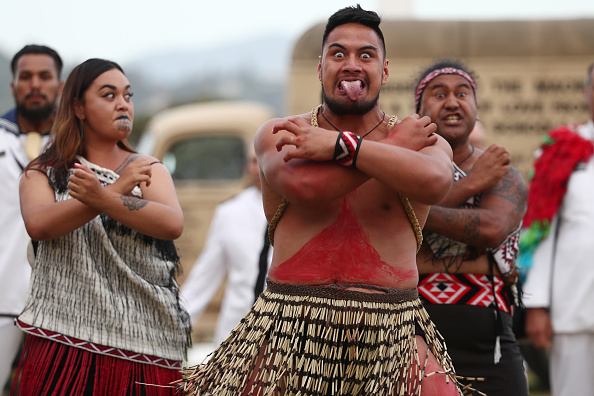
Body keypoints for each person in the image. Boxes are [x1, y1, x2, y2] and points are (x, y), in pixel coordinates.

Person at [178, 6, 467, 396]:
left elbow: (435, 182)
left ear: (384, 71)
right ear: (320, 68)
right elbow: (306, 190)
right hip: (289, 328)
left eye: (366, 55)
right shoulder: (283, 132)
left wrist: (339, 146)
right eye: (338, 54)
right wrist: (388, 147)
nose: (351, 65)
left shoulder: (421, 136)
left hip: (392, 333)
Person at [11, 58, 191, 395]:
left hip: (145, 342)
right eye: (108, 95)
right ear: (78, 107)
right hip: (64, 342)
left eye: (128, 95)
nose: (123, 103)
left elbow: (171, 223)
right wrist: (115, 191)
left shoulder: (147, 167)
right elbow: (39, 225)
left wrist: (104, 197)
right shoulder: (44, 172)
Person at [414, 60, 529, 395]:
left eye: (462, 93)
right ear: (418, 110)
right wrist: (470, 186)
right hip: (413, 348)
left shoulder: (501, 171)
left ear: (475, 108)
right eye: (439, 93)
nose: (452, 101)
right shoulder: (403, 167)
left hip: (491, 354)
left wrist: (411, 217)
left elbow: (492, 228)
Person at [522, 62, 594, 395]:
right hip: (573, 310)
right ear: (586, 93)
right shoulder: (561, 150)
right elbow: (540, 234)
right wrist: (536, 304)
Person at [0, 44, 63, 391]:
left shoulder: (80, 147)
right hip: (1, 296)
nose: (35, 84)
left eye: (44, 76)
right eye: (26, 77)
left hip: (63, 306)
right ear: (13, 86)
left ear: (60, 84)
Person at [181, 143, 270, 346]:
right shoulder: (230, 212)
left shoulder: (302, 210)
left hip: (287, 336)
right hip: (236, 334)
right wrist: (173, 326)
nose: (258, 168)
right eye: (253, 161)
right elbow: (205, 275)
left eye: (264, 160)